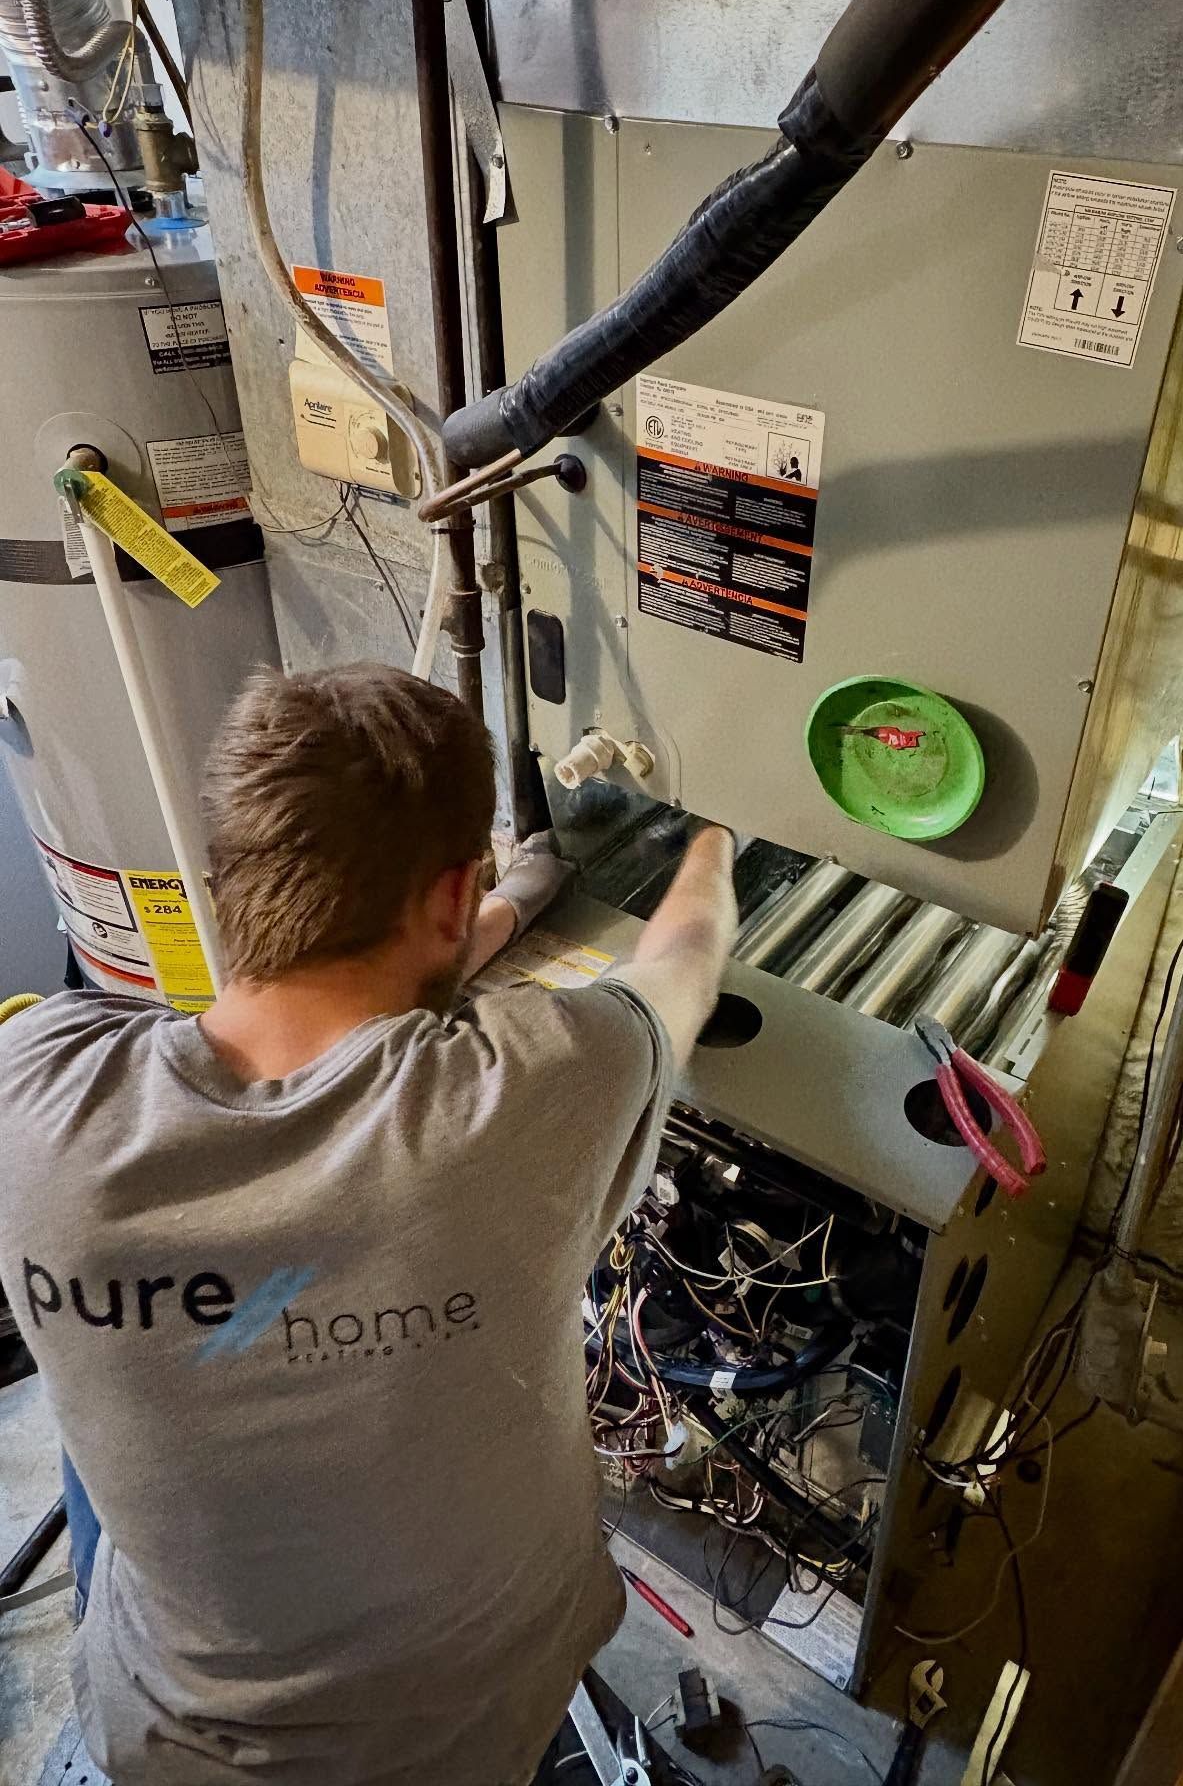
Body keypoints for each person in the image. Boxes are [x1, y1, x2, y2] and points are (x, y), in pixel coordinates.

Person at [0, 663, 737, 1786]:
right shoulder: (537, 1088)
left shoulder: (34, 1091)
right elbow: (683, 956)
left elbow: (287, 1019)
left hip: (166, 1736)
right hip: (462, 1735)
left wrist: (500, 900)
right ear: (449, 897)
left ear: (225, 881)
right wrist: (718, 834)